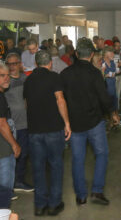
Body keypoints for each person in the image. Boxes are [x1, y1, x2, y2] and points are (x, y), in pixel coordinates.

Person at [60, 38, 119, 206]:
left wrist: (65, 122)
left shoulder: (65, 74)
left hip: (75, 125)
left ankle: (80, 195)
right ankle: (97, 191)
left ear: (77, 54)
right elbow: (103, 97)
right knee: (102, 154)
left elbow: (60, 99)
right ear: (92, 54)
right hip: (95, 122)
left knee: (78, 159)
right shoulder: (95, 73)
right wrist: (112, 113)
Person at [23, 50, 71, 216]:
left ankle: (39, 205)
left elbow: (27, 104)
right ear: (50, 62)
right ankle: (54, 204)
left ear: (36, 63)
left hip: (35, 131)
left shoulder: (28, 80)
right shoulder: (54, 77)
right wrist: (66, 123)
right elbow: (60, 100)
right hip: (53, 130)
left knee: (38, 168)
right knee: (56, 166)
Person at [4, 54, 33, 192]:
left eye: (14, 63)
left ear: (20, 64)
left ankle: (18, 180)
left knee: (23, 153)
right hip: (12, 126)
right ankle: (14, 182)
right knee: (11, 155)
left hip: (25, 123)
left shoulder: (25, 79)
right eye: (9, 64)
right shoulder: (5, 81)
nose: (12, 66)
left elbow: (28, 98)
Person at [0, 62, 20, 200]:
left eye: (7, 75)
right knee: (5, 185)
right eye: (2, 75)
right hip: (3, 147)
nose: (6, 78)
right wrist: (14, 144)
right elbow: (2, 123)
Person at [102, 46, 120, 122]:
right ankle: (109, 120)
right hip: (106, 86)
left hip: (112, 85)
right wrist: (108, 75)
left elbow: (117, 71)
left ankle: (115, 120)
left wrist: (118, 68)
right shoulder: (102, 63)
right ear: (106, 54)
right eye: (111, 53)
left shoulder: (112, 62)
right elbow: (101, 75)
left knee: (114, 102)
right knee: (107, 104)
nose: (113, 54)